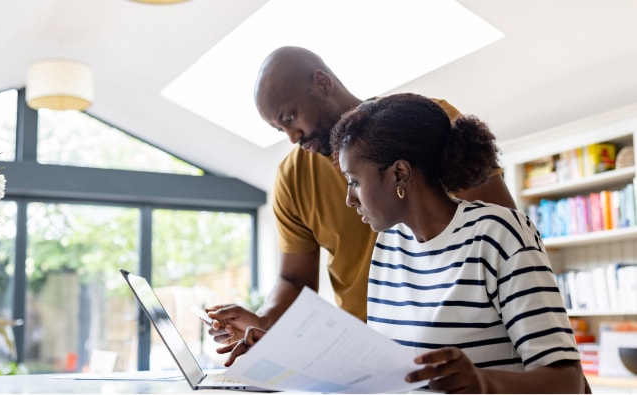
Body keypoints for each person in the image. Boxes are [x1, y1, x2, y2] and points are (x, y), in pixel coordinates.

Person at [220, 93, 588, 394]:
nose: (350, 199)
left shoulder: (500, 234)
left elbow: (567, 382)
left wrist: (483, 383)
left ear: (399, 173)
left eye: (354, 181)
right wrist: (283, 355)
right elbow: (387, 371)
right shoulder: (390, 246)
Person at [205, 46, 517, 346]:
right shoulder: (291, 177)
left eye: (289, 117)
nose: (292, 137)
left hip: (456, 334)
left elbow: (503, 233)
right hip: (365, 350)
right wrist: (262, 321)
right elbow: (294, 280)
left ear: (322, 83)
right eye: (279, 129)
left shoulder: (425, 125)